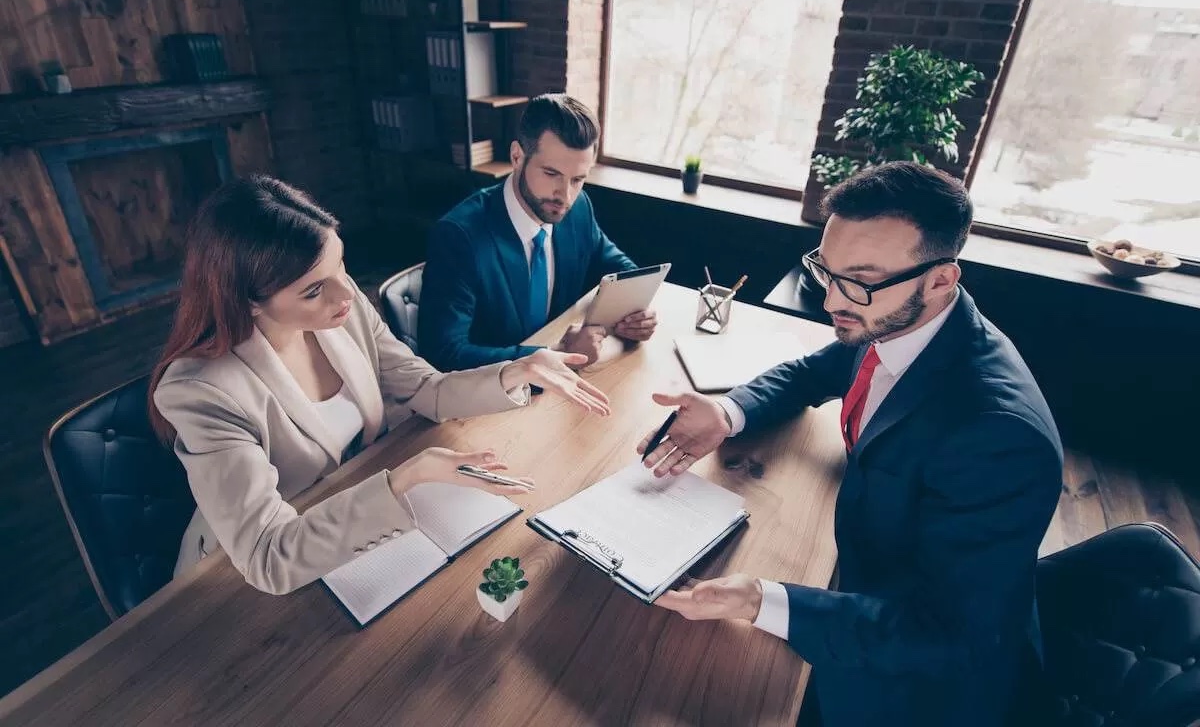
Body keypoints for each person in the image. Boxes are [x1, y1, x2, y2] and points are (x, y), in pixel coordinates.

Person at [638, 162, 1063, 726]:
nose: (832, 300)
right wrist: (726, 411)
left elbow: (950, 636)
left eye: (857, 281)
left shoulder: (999, 435)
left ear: (941, 279)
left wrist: (762, 600)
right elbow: (815, 371)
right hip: (870, 579)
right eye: (825, 270)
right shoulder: (892, 319)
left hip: (921, 686)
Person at [149, 175, 610, 595]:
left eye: (341, 265)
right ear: (248, 302)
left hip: (347, 519)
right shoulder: (202, 392)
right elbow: (269, 557)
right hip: (239, 578)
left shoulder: (342, 313)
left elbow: (424, 389)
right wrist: (405, 478)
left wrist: (518, 369)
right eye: (313, 290)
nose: (347, 294)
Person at [419, 93, 658, 372]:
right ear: (517, 156)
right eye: (551, 173)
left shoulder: (578, 208)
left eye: (578, 179)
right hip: (492, 395)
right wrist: (556, 354)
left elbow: (616, 265)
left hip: (560, 388)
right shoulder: (458, 236)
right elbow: (443, 353)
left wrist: (635, 314)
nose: (565, 195)